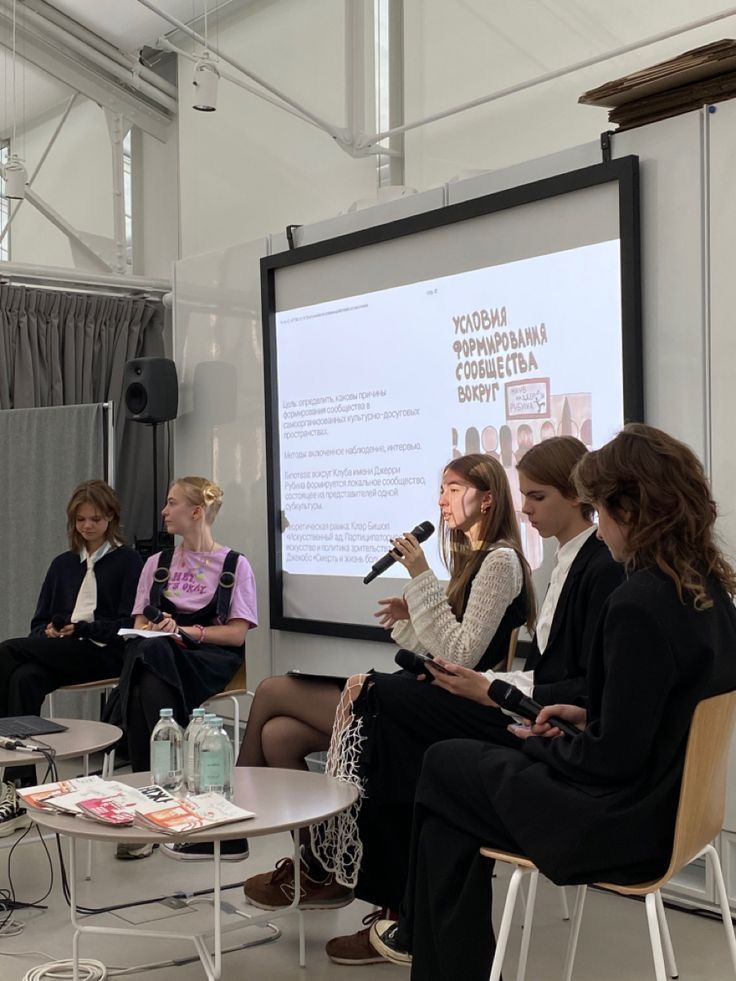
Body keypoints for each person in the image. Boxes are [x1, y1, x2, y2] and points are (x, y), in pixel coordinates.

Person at [368, 423, 736, 981]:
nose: (598, 524)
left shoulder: (637, 603)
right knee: (449, 809)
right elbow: (662, 712)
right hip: (676, 810)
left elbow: (610, 761)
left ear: (629, 510)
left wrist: (542, 741)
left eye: (599, 509)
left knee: (443, 766)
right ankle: (430, 949)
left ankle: (427, 946)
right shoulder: (711, 591)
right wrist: (585, 716)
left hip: (624, 822)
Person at [322, 436, 624, 966]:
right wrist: (488, 683)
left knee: (382, 702)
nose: (525, 508)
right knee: (393, 715)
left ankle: (367, 884)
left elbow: (581, 686)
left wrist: (493, 689)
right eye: (524, 496)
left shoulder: (593, 568)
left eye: (537, 497)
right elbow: (550, 672)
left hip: (549, 731)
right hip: (527, 708)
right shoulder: (567, 562)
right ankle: (384, 897)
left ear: (580, 496)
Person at [241, 453, 534, 917]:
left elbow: (463, 656)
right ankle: (324, 866)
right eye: (441, 489)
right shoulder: (471, 559)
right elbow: (442, 647)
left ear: (487, 499)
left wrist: (420, 577)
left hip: (455, 707)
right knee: (280, 736)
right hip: (429, 692)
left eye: (454, 489)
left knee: (275, 690)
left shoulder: (500, 561)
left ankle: (235, 814)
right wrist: (412, 614)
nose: (442, 500)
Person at [113, 476, 257, 860]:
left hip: (209, 658)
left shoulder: (235, 565)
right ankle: (173, 799)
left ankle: (151, 803)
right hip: (162, 655)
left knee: (147, 662)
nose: (164, 511)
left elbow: (236, 635)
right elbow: (140, 624)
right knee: (149, 655)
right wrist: (159, 629)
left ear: (196, 512)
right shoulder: (155, 564)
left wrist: (186, 631)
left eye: (172, 503)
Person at [0, 479, 142, 832]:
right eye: (81, 520)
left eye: (95, 519)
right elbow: (37, 624)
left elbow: (128, 626)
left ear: (110, 518)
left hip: (105, 654)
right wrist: (49, 632)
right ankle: (19, 788)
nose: (87, 526)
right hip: (64, 651)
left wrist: (83, 630)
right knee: (24, 678)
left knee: (7, 650)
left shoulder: (128, 561)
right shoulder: (62, 564)